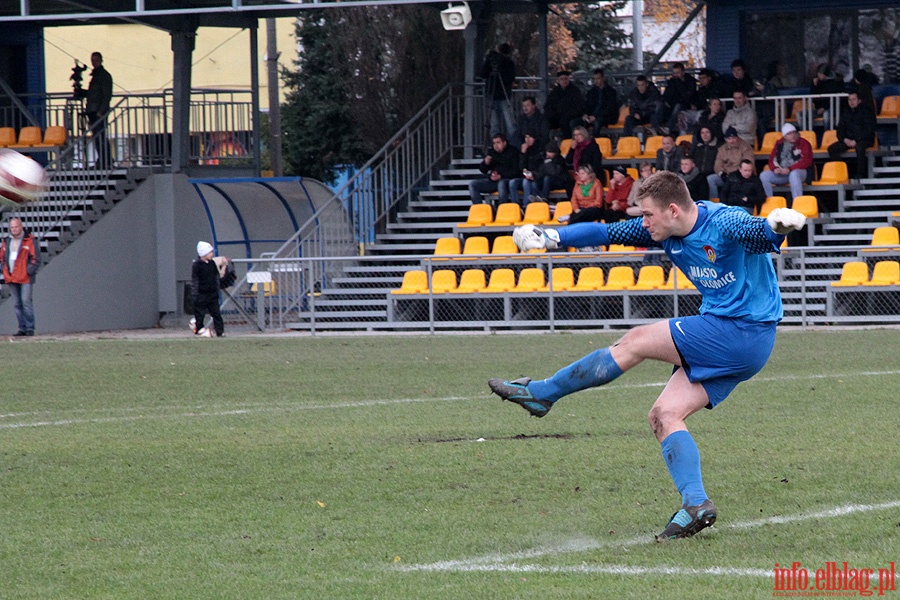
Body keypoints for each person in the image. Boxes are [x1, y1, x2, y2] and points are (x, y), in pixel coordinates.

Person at [489, 170, 808, 541]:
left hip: (739, 331)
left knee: (636, 341)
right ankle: (696, 504)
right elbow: (607, 232)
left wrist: (777, 227)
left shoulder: (724, 222)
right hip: (741, 339)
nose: (642, 222)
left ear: (672, 210)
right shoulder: (664, 227)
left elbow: (756, 231)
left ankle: (543, 393)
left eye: (647, 214)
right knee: (663, 415)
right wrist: (552, 236)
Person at [0, 217, 40, 336]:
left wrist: (28, 271)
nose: (14, 229)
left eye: (16, 227)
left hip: (25, 277)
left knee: (26, 301)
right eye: (12, 227)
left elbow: (36, 259)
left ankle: (29, 328)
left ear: (21, 226)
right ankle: (22, 328)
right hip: (12, 277)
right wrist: (4, 269)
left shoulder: (29, 240)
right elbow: (2, 257)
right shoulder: (6, 241)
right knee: (17, 303)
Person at [828, 91, 877, 179]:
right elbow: (840, 129)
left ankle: (861, 174)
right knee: (832, 149)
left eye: (854, 99)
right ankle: (844, 171)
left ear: (859, 100)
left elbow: (869, 129)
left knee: (859, 147)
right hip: (849, 139)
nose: (851, 102)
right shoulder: (846, 112)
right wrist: (844, 139)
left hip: (865, 139)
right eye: (849, 100)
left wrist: (856, 140)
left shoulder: (867, 111)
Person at [760, 123, 814, 200]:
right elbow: (771, 159)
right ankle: (769, 202)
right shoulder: (779, 144)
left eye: (794, 132)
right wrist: (775, 169)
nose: (793, 135)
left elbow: (807, 161)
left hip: (801, 172)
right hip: (783, 173)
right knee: (764, 175)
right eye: (789, 134)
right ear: (784, 136)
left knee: (794, 174)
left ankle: (797, 203)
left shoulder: (804, 143)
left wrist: (790, 168)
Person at [480, 43, 517, 142]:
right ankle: (498, 145)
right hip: (498, 95)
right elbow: (483, 74)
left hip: (496, 95)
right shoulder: (507, 62)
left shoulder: (505, 62)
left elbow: (482, 75)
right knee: (508, 124)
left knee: (496, 125)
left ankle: (506, 145)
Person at [469, 133, 519, 206]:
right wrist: (485, 163)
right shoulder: (492, 152)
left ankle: (500, 209)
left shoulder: (513, 151)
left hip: (508, 180)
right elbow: (483, 170)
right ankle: (480, 209)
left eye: (498, 142)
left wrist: (501, 176)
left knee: (501, 184)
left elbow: (516, 171)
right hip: (494, 181)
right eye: (494, 143)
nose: (496, 145)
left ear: (504, 143)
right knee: (473, 184)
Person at [707, 126, 754, 199]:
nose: (731, 141)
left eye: (733, 138)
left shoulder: (746, 147)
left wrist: (735, 174)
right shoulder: (722, 149)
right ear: (725, 139)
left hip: (741, 176)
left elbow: (748, 163)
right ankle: (714, 201)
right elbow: (718, 164)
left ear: (737, 137)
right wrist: (721, 173)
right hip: (726, 176)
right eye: (729, 138)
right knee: (711, 179)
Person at [85, 51, 113, 169]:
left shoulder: (104, 76)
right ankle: (102, 159)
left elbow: (106, 95)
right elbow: (93, 94)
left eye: (96, 60)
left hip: (98, 112)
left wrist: (101, 111)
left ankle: (106, 161)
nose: (94, 62)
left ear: (101, 60)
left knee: (100, 136)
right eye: (92, 60)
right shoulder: (96, 75)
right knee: (97, 137)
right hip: (92, 110)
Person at [191, 241, 225, 337]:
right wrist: (195, 293)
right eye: (210, 252)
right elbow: (195, 279)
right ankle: (199, 329)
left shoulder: (212, 263)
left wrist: (216, 288)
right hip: (201, 294)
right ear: (204, 253)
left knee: (216, 313)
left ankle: (220, 331)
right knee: (200, 314)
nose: (212, 254)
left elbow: (216, 276)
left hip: (212, 294)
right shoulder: (197, 265)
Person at [573, 68, 620, 136]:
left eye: (598, 78)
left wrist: (595, 116)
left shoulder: (611, 92)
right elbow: (587, 105)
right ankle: (579, 143)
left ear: (603, 78)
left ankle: (594, 143)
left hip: (606, 117)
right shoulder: (591, 92)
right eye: (594, 79)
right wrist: (585, 114)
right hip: (591, 117)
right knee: (575, 123)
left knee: (597, 122)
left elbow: (609, 108)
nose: (596, 81)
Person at [677, 68, 723, 136]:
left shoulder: (716, 87)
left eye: (703, 78)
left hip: (707, 112)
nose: (701, 80)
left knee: (700, 114)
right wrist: (692, 104)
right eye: (700, 78)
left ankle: (698, 136)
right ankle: (683, 138)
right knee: (682, 114)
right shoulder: (701, 89)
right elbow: (695, 100)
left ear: (709, 78)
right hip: (697, 111)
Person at [798, 64, 844, 130]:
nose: (819, 76)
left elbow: (836, 99)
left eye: (820, 74)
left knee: (826, 115)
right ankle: (806, 135)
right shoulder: (817, 82)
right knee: (800, 114)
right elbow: (813, 97)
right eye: (818, 74)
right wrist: (814, 85)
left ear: (825, 74)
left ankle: (827, 136)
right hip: (819, 109)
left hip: (833, 109)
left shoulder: (836, 82)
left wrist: (824, 108)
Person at [658, 62, 697, 135]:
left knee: (678, 107)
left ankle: (669, 128)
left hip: (685, 104)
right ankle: (658, 128)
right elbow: (667, 96)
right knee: (660, 106)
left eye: (678, 73)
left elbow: (687, 96)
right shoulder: (672, 82)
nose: (676, 75)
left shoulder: (690, 81)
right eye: (674, 73)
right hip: (673, 104)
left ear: (683, 72)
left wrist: (678, 83)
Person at [545, 70, 584, 139]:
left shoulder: (575, 91)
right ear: (558, 80)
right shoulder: (555, 92)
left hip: (569, 116)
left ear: (569, 79)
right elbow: (548, 106)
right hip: (557, 116)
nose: (564, 81)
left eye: (566, 79)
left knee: (565, 122)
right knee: (545, 121)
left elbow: (578, 107)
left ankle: (567, 142)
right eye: (561, 79)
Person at [508, 130, 544, 205]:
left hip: (537, 177)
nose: (527, 140)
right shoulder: (524, 150)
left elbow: (543, 168)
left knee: (526, 182)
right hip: (526, 176)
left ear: (535, 138)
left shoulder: (540, 149)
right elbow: (521, 168)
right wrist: (523, 154)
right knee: (512, 182)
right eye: (526, 137)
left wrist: (533, 174)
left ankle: (526, 206)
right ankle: (516, 206)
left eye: (530, 137)